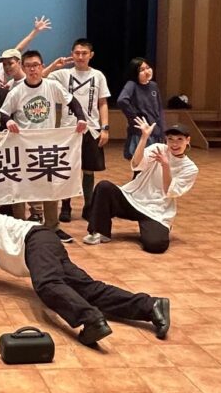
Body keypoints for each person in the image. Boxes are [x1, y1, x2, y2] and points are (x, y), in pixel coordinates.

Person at [0, 176, 171, 346]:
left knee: (46, 285)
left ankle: (91, 321)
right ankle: (151, 306)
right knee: (88, 290)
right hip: (43, 250)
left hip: (34, 240)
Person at [0, 50, 87, 242]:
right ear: (23, 68)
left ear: (42, 67)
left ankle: (52, 226)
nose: (32, 69)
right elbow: (3, 113)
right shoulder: (16, 91)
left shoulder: (52, 86)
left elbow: (72, 102)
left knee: (50, 186)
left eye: (36, 65)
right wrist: (8, 121)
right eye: (28, 66)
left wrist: (81, 118)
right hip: (23, 147)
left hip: (47, 146)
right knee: (20, 187)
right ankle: (19, 227)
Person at [84, 120, 198, 254]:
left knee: (156, 246)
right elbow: (136, 164)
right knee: (104, 187)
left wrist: (165, 165)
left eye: (179, 139)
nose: (174, 144)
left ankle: (158, 228)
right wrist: (144, 138)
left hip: (157, 210)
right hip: (133, 199)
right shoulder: (158, 149)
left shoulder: (190, 168)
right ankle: (100, 231)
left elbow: (169, 191)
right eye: (170, 139)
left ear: (187, 140)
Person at [46, 39, 111, 222]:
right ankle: (66, 206)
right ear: (72, 54)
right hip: (69, 129)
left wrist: (105, 127)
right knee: (67, 169)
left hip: (92, 128)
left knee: (89, 170)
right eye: (77, 53)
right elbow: (39, 77)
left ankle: (88, 206)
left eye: (84, 53)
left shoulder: (98, 75)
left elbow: (102, 102)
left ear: (91, 55)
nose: (80, 56)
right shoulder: (63, 74)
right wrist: (54, 65)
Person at [117, 57, 166, 161]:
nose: (147, 71)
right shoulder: (132, 84)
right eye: (142, 70)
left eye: (148, 68)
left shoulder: (154, 86)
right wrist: (134, 117)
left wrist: (163, 130)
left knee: (156, 162)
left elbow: (159, 109)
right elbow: (122, 100)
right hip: (141, 132)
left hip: (155, 130)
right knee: (140, 163)